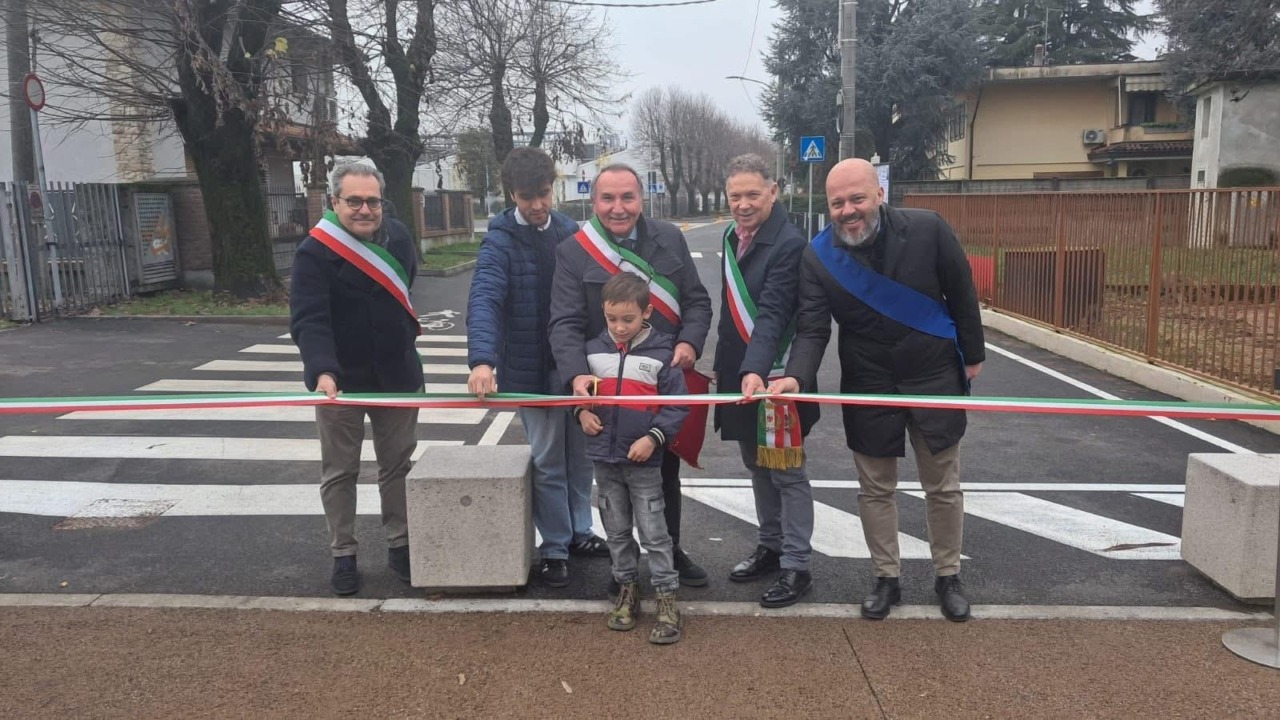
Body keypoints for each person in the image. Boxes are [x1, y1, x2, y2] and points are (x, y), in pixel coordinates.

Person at [771, 158, 985, 622]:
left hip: (933, 374)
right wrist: (795, 376)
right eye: (838, 203)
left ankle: (948, 576)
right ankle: (886, 578)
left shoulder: (929, 229)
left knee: (943, 485)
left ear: (879, 194)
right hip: (867, 377)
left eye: (857, 198)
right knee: (874, 488)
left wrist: (972, 356)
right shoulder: (818, 257)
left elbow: (962, 294)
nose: (848, 210)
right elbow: (811, 330)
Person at [548, 163, 713, 587]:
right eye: (608, 198)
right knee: (612, 482)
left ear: (642, 198)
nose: (618, 208)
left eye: (627, 197)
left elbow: (696, 302)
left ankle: (670, 551)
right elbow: (565, 323)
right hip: (606, 386)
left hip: (658, 379)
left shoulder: (670, 238)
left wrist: (689, 343)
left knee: (664, 472)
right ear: (593, 200)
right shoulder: (573, 250)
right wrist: (575, 379)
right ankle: (623, 569)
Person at [466, 147, 607, 589]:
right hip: (529, 368)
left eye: (544, 194)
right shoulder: (499, 240)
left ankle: (582, 530)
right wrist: (483, 360)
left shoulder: (570, 232)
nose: (537, 205)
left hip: (574, 365)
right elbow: (485, 299)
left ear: (555, 188)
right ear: (512, 194)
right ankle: (555, 546)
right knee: (548, 460)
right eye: (527, 197)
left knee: (581, 456)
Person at [290, 163, 423, 596]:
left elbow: (402, 296)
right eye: (354, 201)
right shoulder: (314, 251)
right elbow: (310, 318)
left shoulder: (400, 239)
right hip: (341, 378)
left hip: (396, 373)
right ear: (335, 203)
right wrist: (322, 369)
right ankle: (343, 553)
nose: (365, 209)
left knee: (397, 467)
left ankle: (400, 545)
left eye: (373, 201)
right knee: (340, 470)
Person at [714, 154, 819, 608]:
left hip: (774, 377)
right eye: (735, 195)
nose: (743, 204)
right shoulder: (730, 236)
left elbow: (775, 313)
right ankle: (771, 545)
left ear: (773, 192)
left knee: (786, 473)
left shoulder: (788, 244)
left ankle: (797, 565)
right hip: (741, 375)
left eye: (752, 194)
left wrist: (755, 370)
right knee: (757, 464)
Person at [575, 272, 689, 644]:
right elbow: (578, 396)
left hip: (645, 462)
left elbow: (676, 407)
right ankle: (627, 591)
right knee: (617, 531)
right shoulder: (592, 351)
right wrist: (582, 414)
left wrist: (654, 438)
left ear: (647, 313)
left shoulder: (663, 355)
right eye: (612, 319)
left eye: (628, 319)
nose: (619, 327)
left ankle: (667, 599)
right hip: (604, 461)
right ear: (603, 313)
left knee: (656, 534)